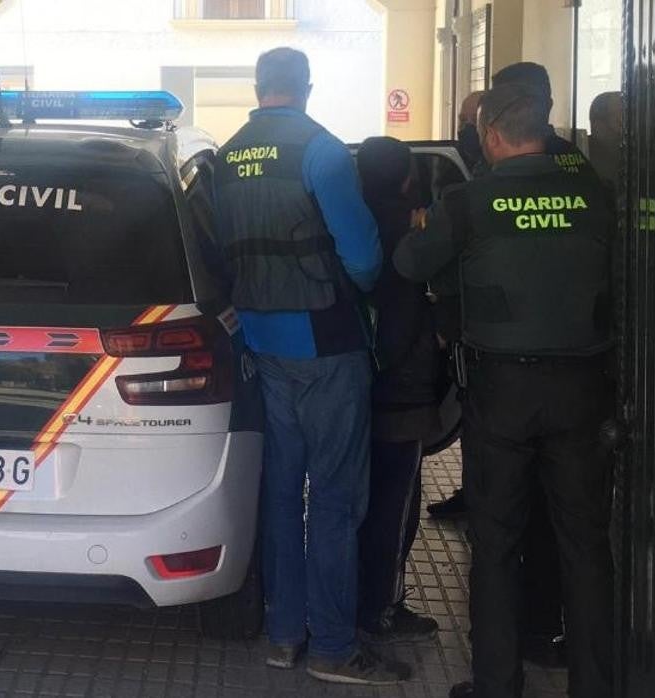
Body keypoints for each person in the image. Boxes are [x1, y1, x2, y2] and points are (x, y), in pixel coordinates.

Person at [394, 82, 616, 698]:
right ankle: (594, 684)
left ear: (491, 135)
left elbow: (411, 263)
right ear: (544, 130)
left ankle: (497, 684)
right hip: (582, 389)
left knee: (495, 541)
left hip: (503, 392)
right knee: (586, 544)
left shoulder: (472, 200)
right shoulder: (594, 196)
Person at [213, 47, 409, 685]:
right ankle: (331, 646)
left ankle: (282, 635)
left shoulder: (226, 156)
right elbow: (362, 257)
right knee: (332, 499)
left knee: (279, 493)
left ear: (258, 86)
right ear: (306, 88)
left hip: (262, 344)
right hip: (326, 344)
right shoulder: (322, 151)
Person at [354, 137, 442, 645]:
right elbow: (417, 311)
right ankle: (380, 608)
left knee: (357, 497)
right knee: (397, 501)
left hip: (350, 382)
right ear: (407, 178)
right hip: (400, 392)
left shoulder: (348, 226)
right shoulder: (414, 232)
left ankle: (354, 596)